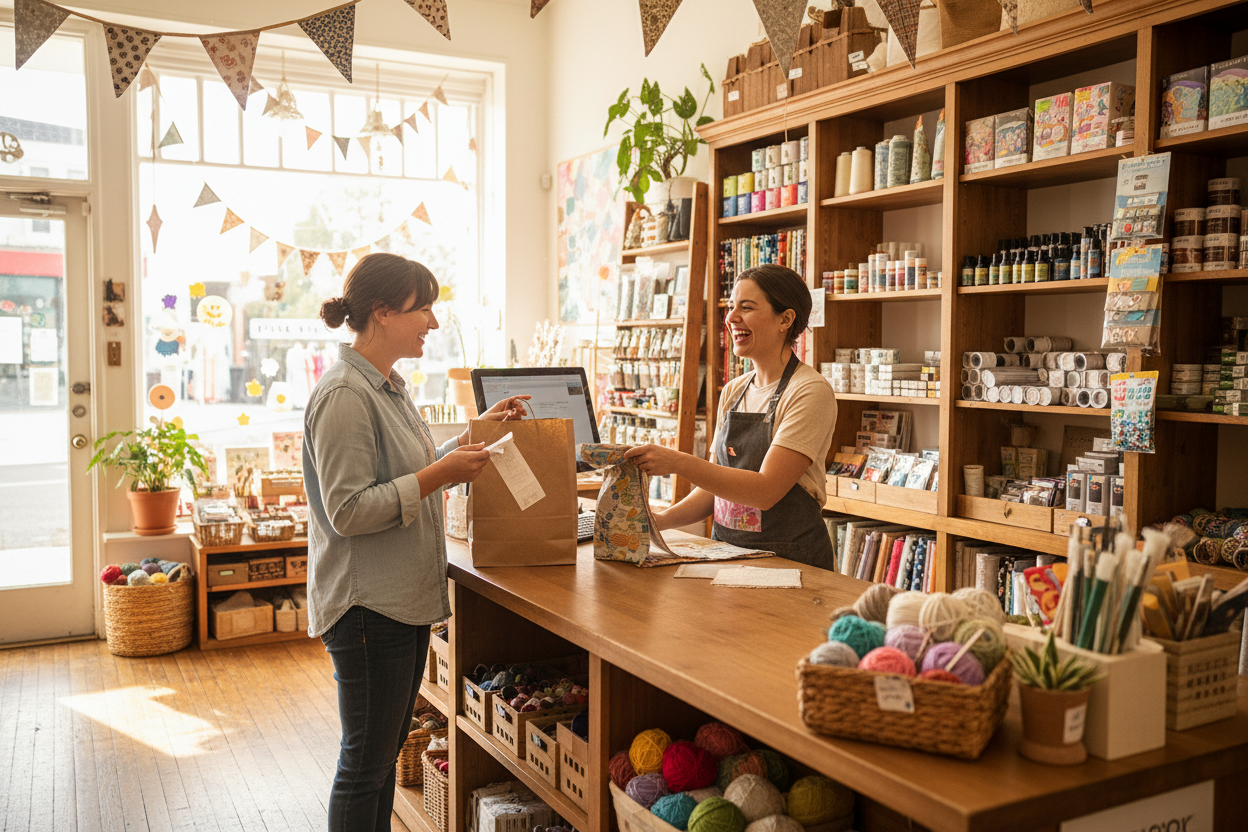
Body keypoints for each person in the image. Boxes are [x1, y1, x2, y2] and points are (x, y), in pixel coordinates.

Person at [303, 253, 528, 831]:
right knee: (365, 765)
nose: (432, 321)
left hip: (392, 603)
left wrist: (475, 437)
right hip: (366, 607)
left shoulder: (386, 387)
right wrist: (441, 474)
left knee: (378, 763)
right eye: (422, 308)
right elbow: (349, 510)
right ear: (381, 312)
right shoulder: (346, 395)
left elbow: (405, 466)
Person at [624, 264, 838, 569]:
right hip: (727, 556)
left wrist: (677, 462)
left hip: (791, 564)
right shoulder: (734, 391)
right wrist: (658, 521)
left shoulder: (809, 391)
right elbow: (715, 487)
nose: (731, 317)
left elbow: (765, 491)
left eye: (746, 307)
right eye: (730, 306)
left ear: (786, 319)